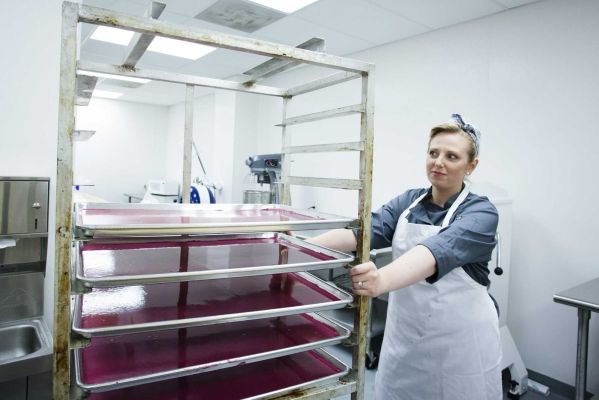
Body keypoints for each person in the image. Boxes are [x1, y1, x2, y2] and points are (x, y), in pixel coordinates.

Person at [308, 114, 502, 400]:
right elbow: (362, 233)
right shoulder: (409, 202)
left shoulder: (482, 213)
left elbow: (437, 251)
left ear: (471, 165)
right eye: (433, 153)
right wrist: (300, 250)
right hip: (406, 338)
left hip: (459, 344)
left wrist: (381, 279)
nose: (439, 162)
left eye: (452, 156)